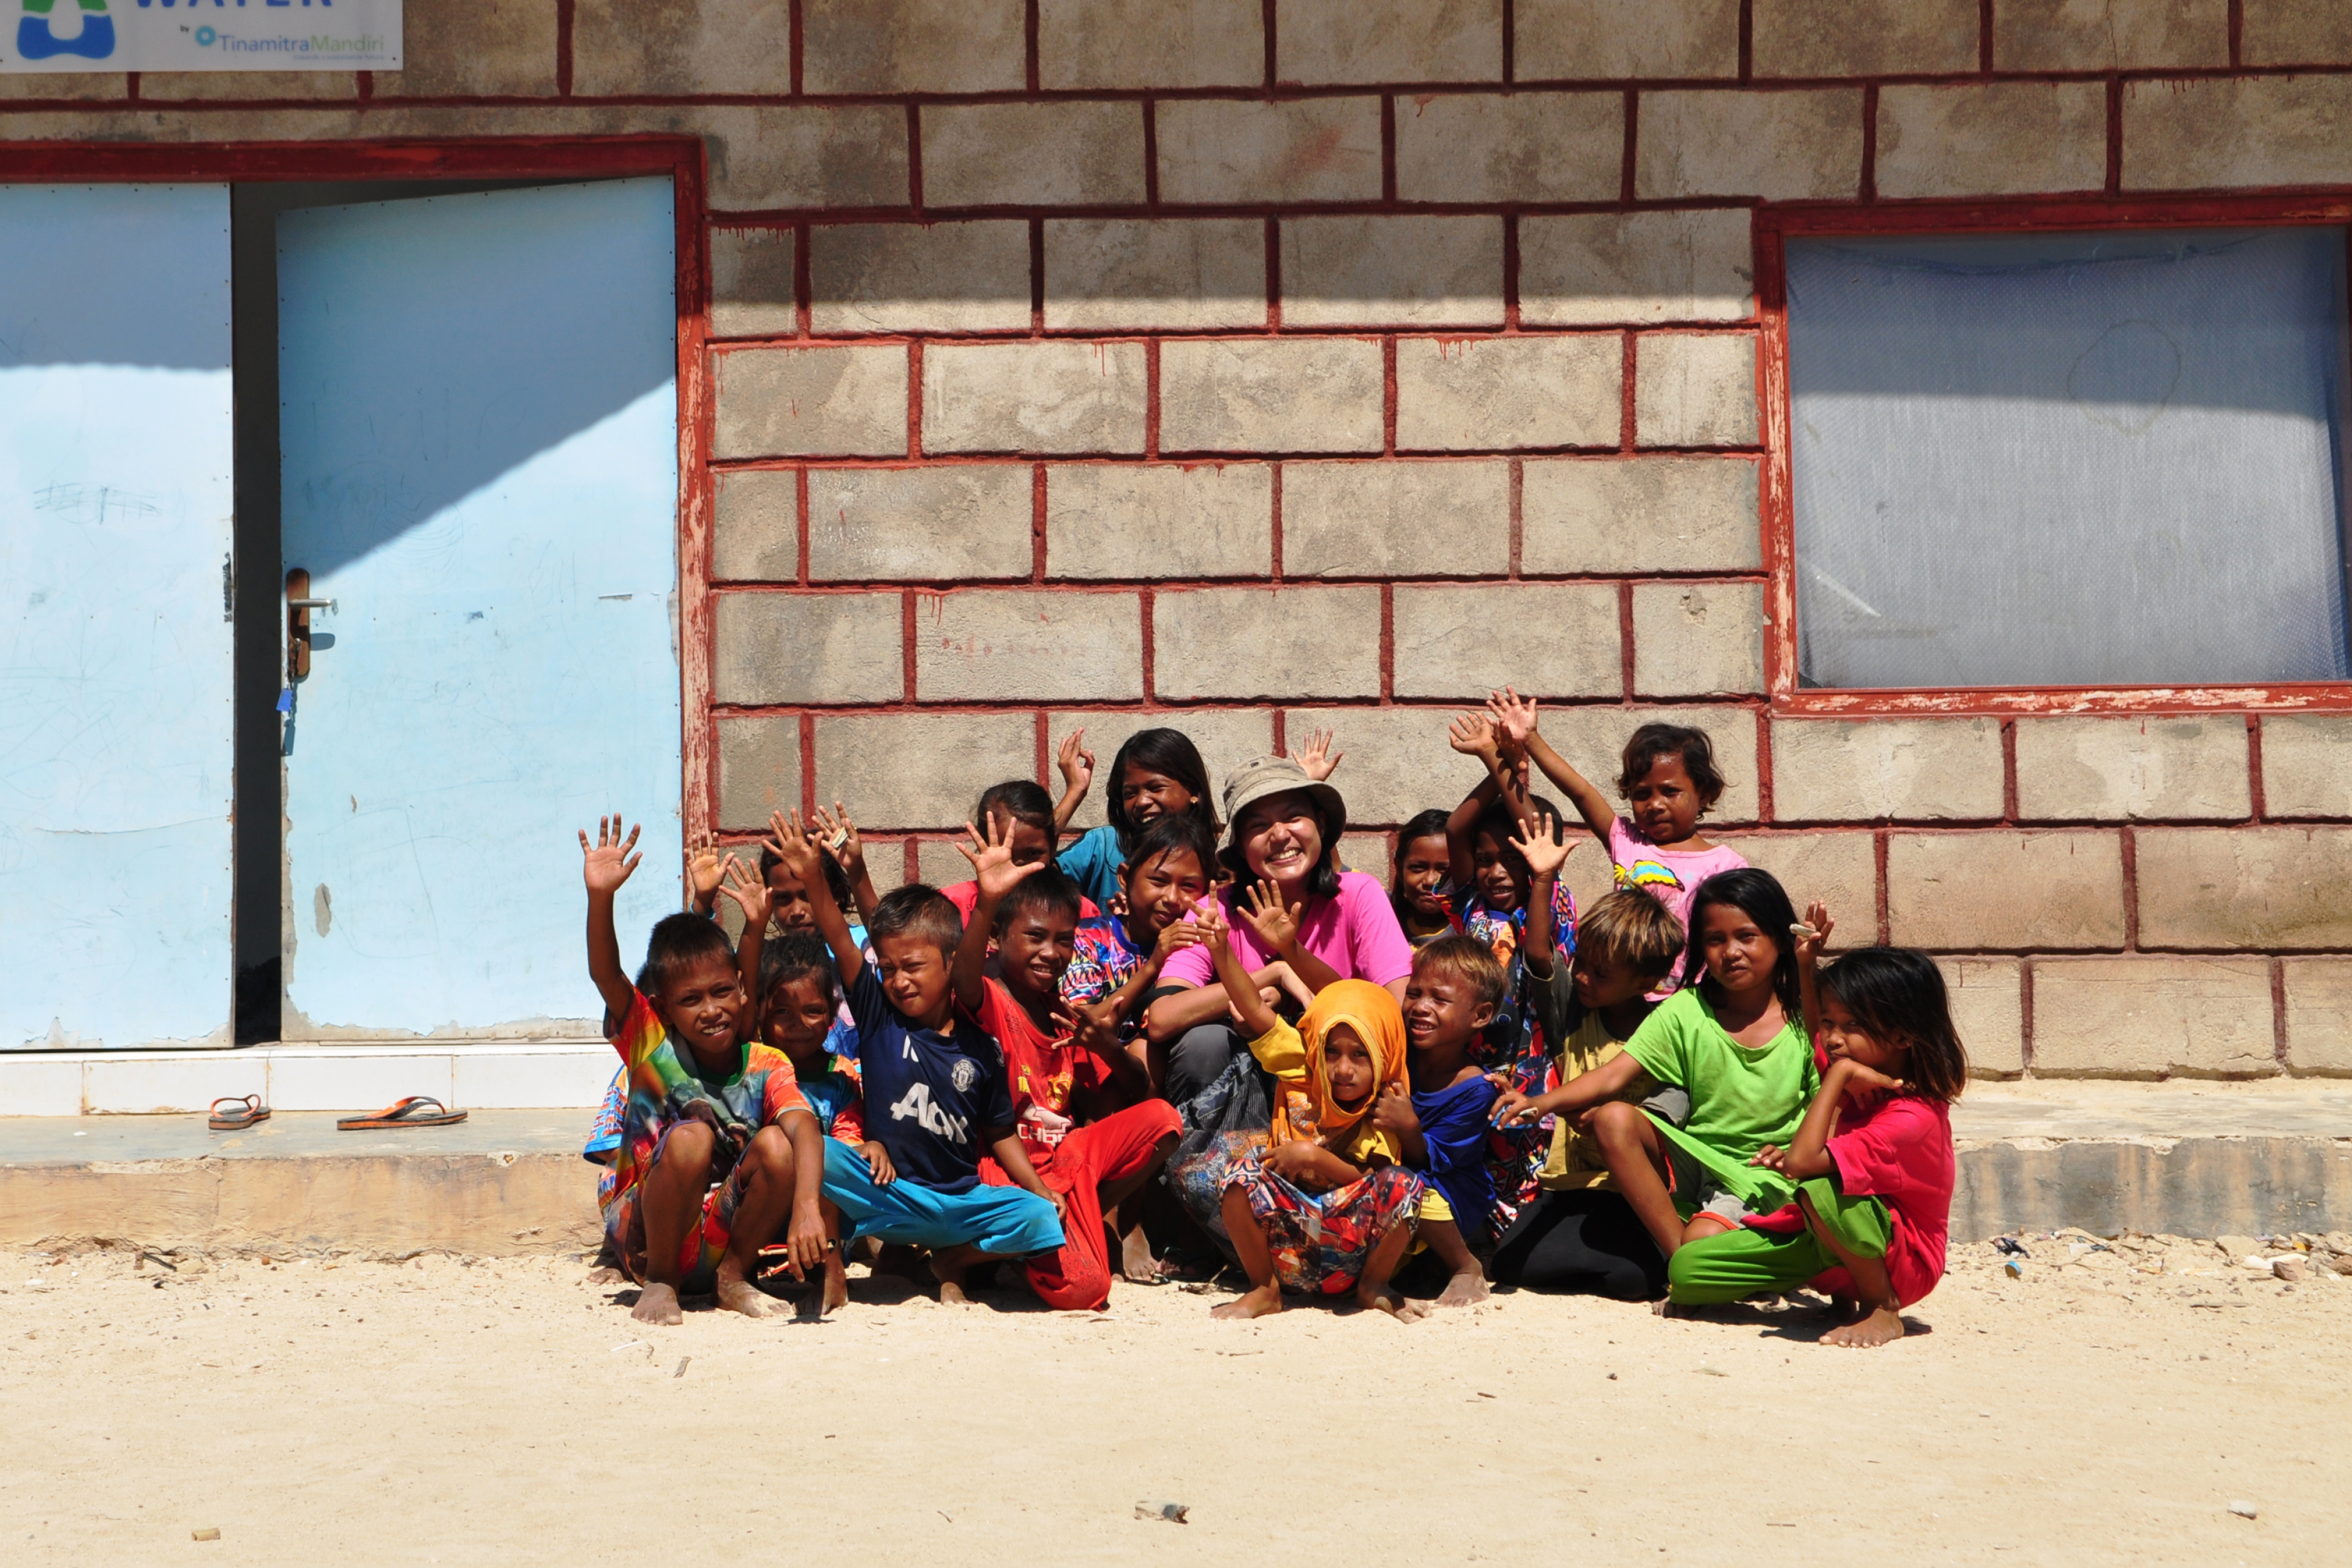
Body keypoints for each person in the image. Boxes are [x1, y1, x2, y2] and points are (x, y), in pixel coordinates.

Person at [768, 817, 1067, 1306]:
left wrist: (1037, 1189)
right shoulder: (879, 1017)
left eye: (912, 968)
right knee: (818, 1151)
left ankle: (953, 1260)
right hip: (892, 1196)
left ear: (952, 963)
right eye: (888, 970)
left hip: (960, 1202)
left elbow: (1001, 1134)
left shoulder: (982, 1046)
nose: (898, 980)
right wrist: (817, 876)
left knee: (1040, 1219)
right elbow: (844, 939)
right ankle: (835, 1265)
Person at [1666, 913, 1965, 1347]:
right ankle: (1841, 1292)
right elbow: (1814, 1033)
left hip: (1901, 1260)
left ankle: (1881, 1307)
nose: (1834, 1039)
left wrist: (1839, 1075)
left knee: (1823, 1188)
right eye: (1831, 1024)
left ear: (1902, 1036)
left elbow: (1804, 1165)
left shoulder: (1910, 1117)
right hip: (1824, 1234)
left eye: (1852, 1026)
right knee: (1687, 1270)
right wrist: (1807, 967)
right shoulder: (1867, 1077)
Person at [578, 816, 830, 1327]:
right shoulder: (652, 1044)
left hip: (717, 1232)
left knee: (779, 1145)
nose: (711, 1010)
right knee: (691, 1137)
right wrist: (601, 899)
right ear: (664, 1010)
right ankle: (662, 1284)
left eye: (721, 993)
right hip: (647, 1236)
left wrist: (806, 1203)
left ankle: (731, 1279)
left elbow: (803, 1126)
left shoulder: (765, 1062)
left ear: (742, 990)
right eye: (690, 1001)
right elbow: (607, 974)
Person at [1494, 867, 1815, 1267]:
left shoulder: (1808, 1016)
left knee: (1665, 1255)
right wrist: (1540, 1104)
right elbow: (1613, 1073)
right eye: (1715, 940)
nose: (1730, 951)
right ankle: (1684, 1263)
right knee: (1613, 1123)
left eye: (1746, 936)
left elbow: (1828, 1097)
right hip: (1693, 1167)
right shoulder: (1685, 1010)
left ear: (1781, 940)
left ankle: (1700, 1261)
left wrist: (1797, 1154)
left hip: (1767, 1170)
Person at [952, 818, 1184, 1310]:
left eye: (1064, 940)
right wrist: (988, 900)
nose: (1050, 953)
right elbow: (965, 977)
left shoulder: (1064, 1014)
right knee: (1088, 1289)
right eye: (1035, 937)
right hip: (1001, 1169)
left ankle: (1069, 1224)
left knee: (1163, 1119)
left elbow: (1128, 1093)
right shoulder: (991, 999)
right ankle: (962, 1256)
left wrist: (1108, 1048)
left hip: (1063, 1164)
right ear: (998, 938)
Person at [1193, 906, 1427, 1322]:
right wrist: (1221, 948)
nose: (1342, 1069)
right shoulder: (1302, 1068)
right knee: (1237, 1175)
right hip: (1286, 1248)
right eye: (1332, 1052)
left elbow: (1375, 1184)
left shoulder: (1384, 1105)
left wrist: (1312, 1158)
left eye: (1360, 1056)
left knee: (1405, 1186)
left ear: (1385, 1057)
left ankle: (1374, 1289)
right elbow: (1253, 1008)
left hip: (1351, 1256)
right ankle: (1264, 1290)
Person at [1143, 755, 1415, 1105]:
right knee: (1204, 1042)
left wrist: (1293, 954)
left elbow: (1393, 1012)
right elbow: (1162, 1018)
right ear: (1240, 846)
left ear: (1319, 822)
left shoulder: (1361, 894)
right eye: (1258, 825)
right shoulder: (1216, 908)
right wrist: (1273, 975)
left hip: (1344, 1089)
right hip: (1241, 1090)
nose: (1280, 835)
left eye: (1293, 817)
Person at [1488, 888, 1688, 1299]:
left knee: (1634, 1281)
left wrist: (1603, 1117)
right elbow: (1540, 956)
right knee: (1507, 1262)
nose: (1581, 977)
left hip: (1631, 1196)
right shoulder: (1574, 1011)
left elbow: (1666, 1120)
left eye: (1601, 974)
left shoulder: (1667, 1032)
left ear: (1645, 983)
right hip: (1570, 1187)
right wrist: (1542, 879)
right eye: (1581, 962)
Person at [1487, 688, 1744, 990]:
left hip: (1689, 1002)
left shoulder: (1726, 865)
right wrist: (1530, 740)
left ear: (1704, 794)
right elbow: (1580, 792)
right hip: (1619, 999)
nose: (1655, 804)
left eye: (1670, 791)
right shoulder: (1626, 841)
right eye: (1642, 794)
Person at [1377, 933, 1504, 1308]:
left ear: (1480, 1016)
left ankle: (1466, 1266)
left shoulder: (1476, 1089)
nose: (1421, 1007)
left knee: (1404, 1181)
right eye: (1415, 993)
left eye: (1440, 999)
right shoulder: (1400, 1056)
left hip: (1449, 1192)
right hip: (1398, 1176)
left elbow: (1434, 1160)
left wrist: (1409, 1126)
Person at [1060, 812, 1219, 1089]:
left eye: (1189, 886)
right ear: (1124, 878)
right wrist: (1153, 965)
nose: (1172, 899)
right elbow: (1084, 1025)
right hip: (1096, 1080)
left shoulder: (1206, 946)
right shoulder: (1089, 938)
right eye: (1158, 881)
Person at [1049, 726, 1223, 912]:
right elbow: (1030, 878)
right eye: (1130, 794)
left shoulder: (1220, 853)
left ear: (1193, 791)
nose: (1142, 802)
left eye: (1156, 788)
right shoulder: (1103, 847)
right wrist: (1075, 792)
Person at [937, 780, 1100, 927]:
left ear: (1053, 846)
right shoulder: (949, 909)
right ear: (983, 845)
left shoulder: (1083, 914)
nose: (1019, 867)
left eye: (1033, 853)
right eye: (1006, 854)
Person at [1388, 807, 1458, 948]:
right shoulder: (1386, 920)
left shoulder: (1473, 929)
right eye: (1418, 868)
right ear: (1400, 868)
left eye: (1444, 870)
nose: (1430, 881)